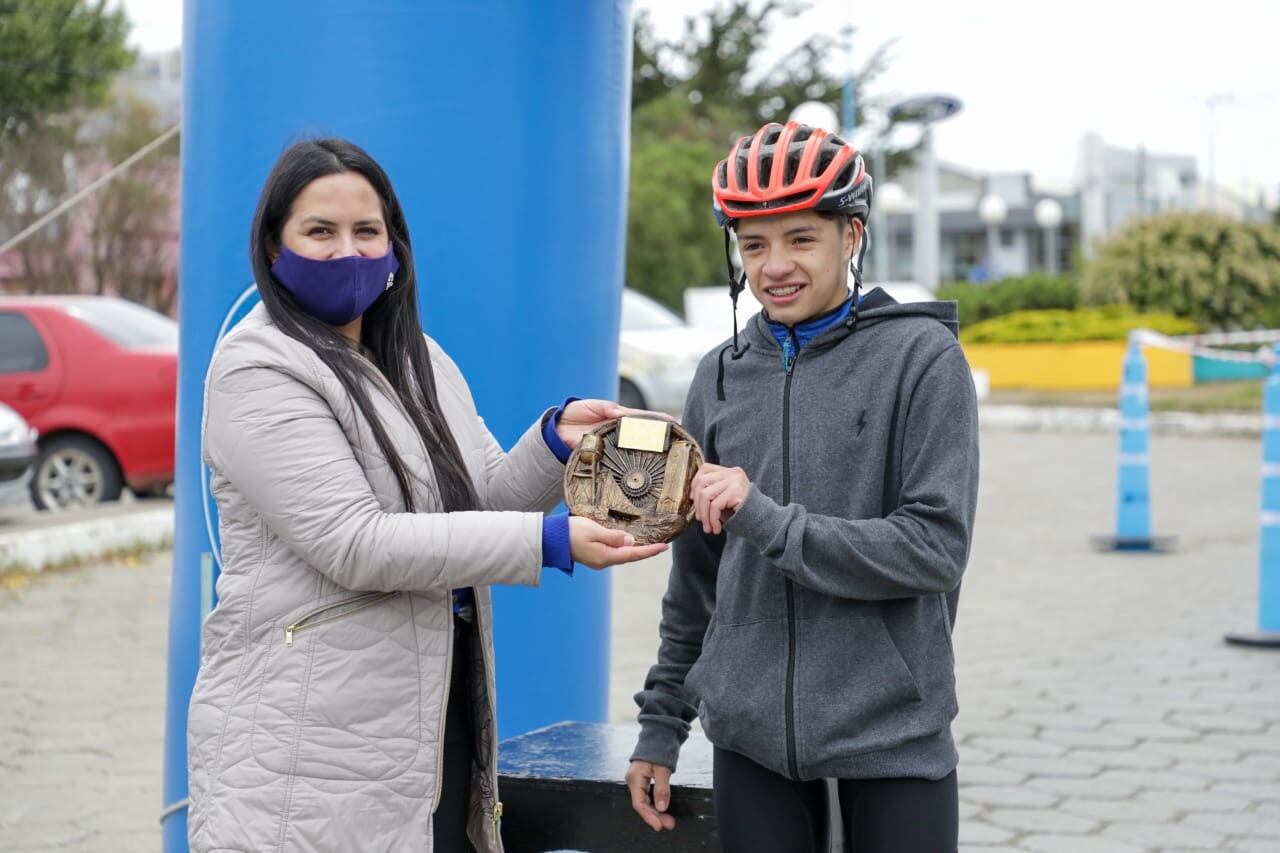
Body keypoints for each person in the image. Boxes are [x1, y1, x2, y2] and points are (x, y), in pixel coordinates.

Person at [187, 138, 666, 853]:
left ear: (396, 246)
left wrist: (556, 440)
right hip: (305, 747)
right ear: (273, 248)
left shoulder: (422, 358)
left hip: (429, 723)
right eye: (319, 231)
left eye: (366, 231)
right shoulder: (256, 367)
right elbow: (355, 544)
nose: (347, 252)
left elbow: (485, 504)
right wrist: (552, 543)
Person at [625, 120, 979, 852]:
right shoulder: (718, 376)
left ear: (851, 236)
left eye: (800, 239)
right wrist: (661, 723)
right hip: (752, 738)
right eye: (753, 244)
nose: (774, 265)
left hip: (893, 728)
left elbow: (934, 548)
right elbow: (697, 577)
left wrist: (769, 519)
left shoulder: (922, 360)